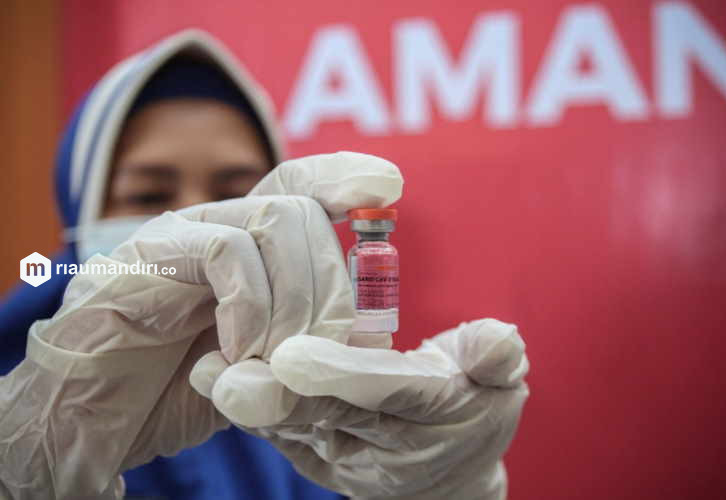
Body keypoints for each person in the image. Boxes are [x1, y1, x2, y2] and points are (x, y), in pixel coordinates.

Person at [0, 30, 529, 500]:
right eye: (150, 196)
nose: (196, 226)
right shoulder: (22, 398)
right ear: (79, 212)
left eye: (234, 194)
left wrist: (441, 490)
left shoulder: (313, 406)